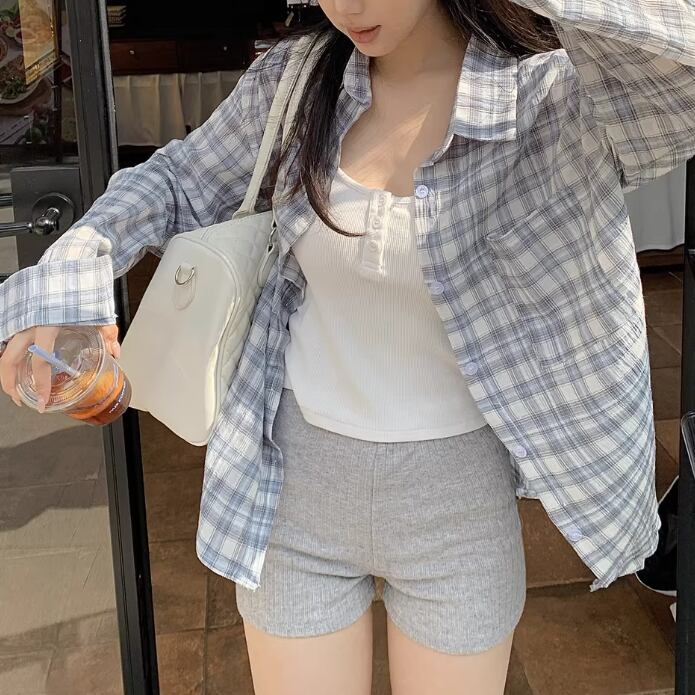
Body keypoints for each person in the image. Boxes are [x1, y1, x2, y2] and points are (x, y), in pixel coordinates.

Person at [1, 0, 695, 692]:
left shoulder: (553, 95)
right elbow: (177, 180)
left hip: (458, 504)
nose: (347, 7)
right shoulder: (299, 79)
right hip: (293, 487)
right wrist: (66, 281)